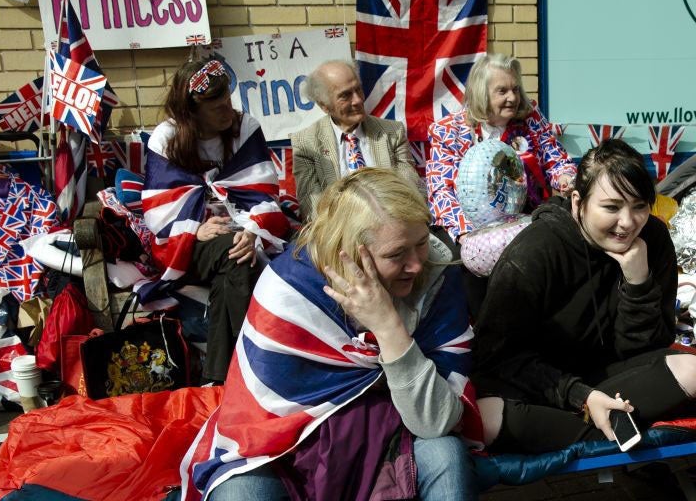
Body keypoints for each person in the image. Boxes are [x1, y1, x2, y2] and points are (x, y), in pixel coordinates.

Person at [180, 168, 481, 501]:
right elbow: (263, 419)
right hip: (291, 450)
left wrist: (387, 327)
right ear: (350, 253)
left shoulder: (437, 272)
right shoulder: (290, 288)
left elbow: (436, 420)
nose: (416, 265)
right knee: (240, 492)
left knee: (445, 456)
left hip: (393, 437)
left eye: (422, 243)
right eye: (396, 255)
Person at [472, 139, 693, 454]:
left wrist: (638, 283)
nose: (628, 222)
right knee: (486, 416)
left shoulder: (651, 240)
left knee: (692, 369)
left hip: (612, 381)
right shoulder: (534, 253)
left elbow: (648, 349)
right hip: (542, 389)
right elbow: (497, 359)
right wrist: (581, 396)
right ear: (578, 202)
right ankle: (609, 429)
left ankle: (597, 430)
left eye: (640, 205)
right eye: (612, 207)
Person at [140, 58, 290, 384]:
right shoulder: (167, 137)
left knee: (237, 260)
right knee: (236, 258)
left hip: (242, 232)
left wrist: (253, 231)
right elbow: (158, 209)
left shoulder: (243, 127)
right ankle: (257, 368)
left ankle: (222, 377)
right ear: (191, 110)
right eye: (216, 106)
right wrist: (196, 229)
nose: (228, 111)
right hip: (186, 242)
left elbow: (262, 191)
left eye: (228, 101)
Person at [426, 53, 576, 244]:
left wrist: (565, 178)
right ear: (481, 93)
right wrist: (467, 235)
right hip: (470, 229)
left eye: (515, 89)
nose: (512, 98)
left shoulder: (531, 118)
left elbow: (557, 160)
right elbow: (440, 191)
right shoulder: (448, 131)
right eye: (502, 91)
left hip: (526, 224)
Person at [291, 60, 421, 221]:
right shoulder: (306, 143)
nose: (358, 100)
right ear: (324, 105)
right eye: (345, 95)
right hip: (339, 230)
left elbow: (409, 191)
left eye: (358, 89)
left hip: (393, 222)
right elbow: (312, 207)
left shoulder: (392, 132)